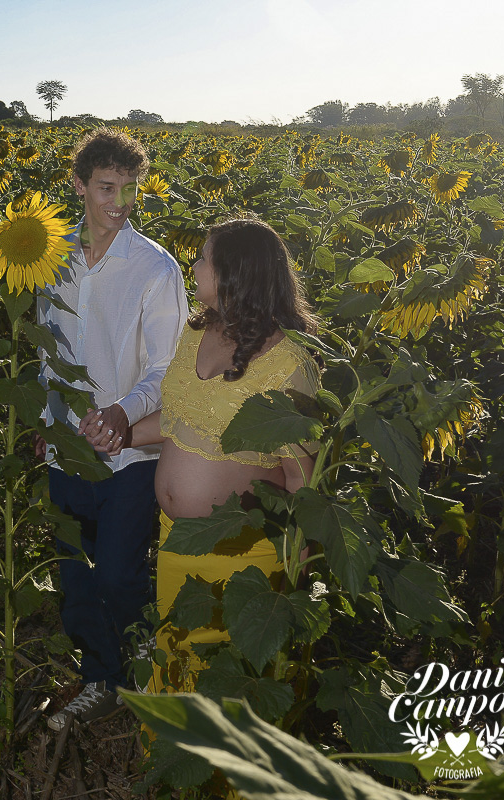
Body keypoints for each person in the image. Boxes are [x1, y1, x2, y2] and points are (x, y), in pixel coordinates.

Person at [122, 217, 321, 692]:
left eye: (204, 258)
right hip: (178, 541)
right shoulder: (197, 330)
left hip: (244, 554)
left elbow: (301, 478)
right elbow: (180, 421)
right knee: (176, 653)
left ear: (235, 274)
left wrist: (302, 569)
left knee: (228, 676)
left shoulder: (289, 365)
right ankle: (170, 758)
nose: (193, 265)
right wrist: (122, 436)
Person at [36, 128, 188, 731]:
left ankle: (121, 671)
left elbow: (165, 369)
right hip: (66, 450)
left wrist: (125, 413)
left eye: (128, 189)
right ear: (79, 186)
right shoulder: (52, 258)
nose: (119, 202)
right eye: (106, 188)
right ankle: (103, 673)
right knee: (74, 571)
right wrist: (50, 422)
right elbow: (49, 354)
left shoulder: (154, 268)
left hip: (130, 458)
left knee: (121, 573)